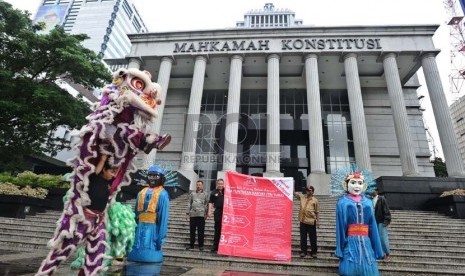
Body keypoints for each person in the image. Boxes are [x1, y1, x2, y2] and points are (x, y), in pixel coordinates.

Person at [36, 156, 119, 276]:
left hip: (99, 221)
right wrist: (103, 158)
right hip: (85, 219)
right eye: (111, 171)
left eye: (115, 172)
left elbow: (121, 173)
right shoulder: (93, 178)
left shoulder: (109, 183)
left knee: (97, 252)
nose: (113, 175)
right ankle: (45, 272)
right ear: (104, 170)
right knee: (65, 247)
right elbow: (98, 167)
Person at [335, 172, 384, 276]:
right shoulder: (342, 202)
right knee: (350, 269)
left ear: (364, 186)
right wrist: (340, 247)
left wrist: (377, 248)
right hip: (350, 240)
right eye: (353, 182)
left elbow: (373, 226)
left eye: (360, 183)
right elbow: (340, 227)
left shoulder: (368, 202)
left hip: (366, 241)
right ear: (346, 185)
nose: (357, 186)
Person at [127, 165, 170, 263]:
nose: (153, 178)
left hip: (152, 227)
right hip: (140, 225)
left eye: (156, 176)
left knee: (149, 246)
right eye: (150, 176)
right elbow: (136, 213)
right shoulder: (141, 192)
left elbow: (163, 217)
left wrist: (161, 236)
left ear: (162, 179)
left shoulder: (163, 194)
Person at [294, 185, 320, 258]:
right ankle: (303, 251)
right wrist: (293, 183)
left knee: (313, 238)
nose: (308, 191)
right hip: (303, 221)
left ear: (312, 192)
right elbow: (294, 193)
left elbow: (317, 212)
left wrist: (318, 222)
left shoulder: (315, 200)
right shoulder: (302, 197)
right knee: (303, 237)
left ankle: (314, 252)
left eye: (310, 190)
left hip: (311, 221)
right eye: (307, 190)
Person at [186, 180, 209, 251]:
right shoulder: (192, 194)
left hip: (201, 215)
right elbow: (189, 203)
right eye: (197, 185)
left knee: (201, 231)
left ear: (202, 186)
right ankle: (191, 245)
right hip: (193, 215)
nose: (198, 186)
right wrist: (187, 214)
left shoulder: (205, 194)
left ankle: (201, 245)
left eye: (200, 185)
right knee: (192, 231)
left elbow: (207, 204)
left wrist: (206, 213)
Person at [370, 190, 392, 262]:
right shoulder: (370, 200)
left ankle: (387, 254)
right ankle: (380, 254)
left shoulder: (381, 199)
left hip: (381, 221)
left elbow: (386, 210)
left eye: (373, 190)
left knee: (383, 238)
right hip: (373, 222)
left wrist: (386, 220)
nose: (371, 191)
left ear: (377, 192)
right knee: (376, 238)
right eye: (370, 191)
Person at [208, 178, 224, 253]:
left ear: (223, 184)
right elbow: (210, 202)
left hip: (226, 212)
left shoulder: (226, 191)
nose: (220, 185)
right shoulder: (214, 192)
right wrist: (209, 211)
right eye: (219, 183)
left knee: (224, 230)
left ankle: (223, 246)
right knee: (217, 230)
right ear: (217, 184)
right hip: (218, 212)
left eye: (222, 184)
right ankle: (215, 246)